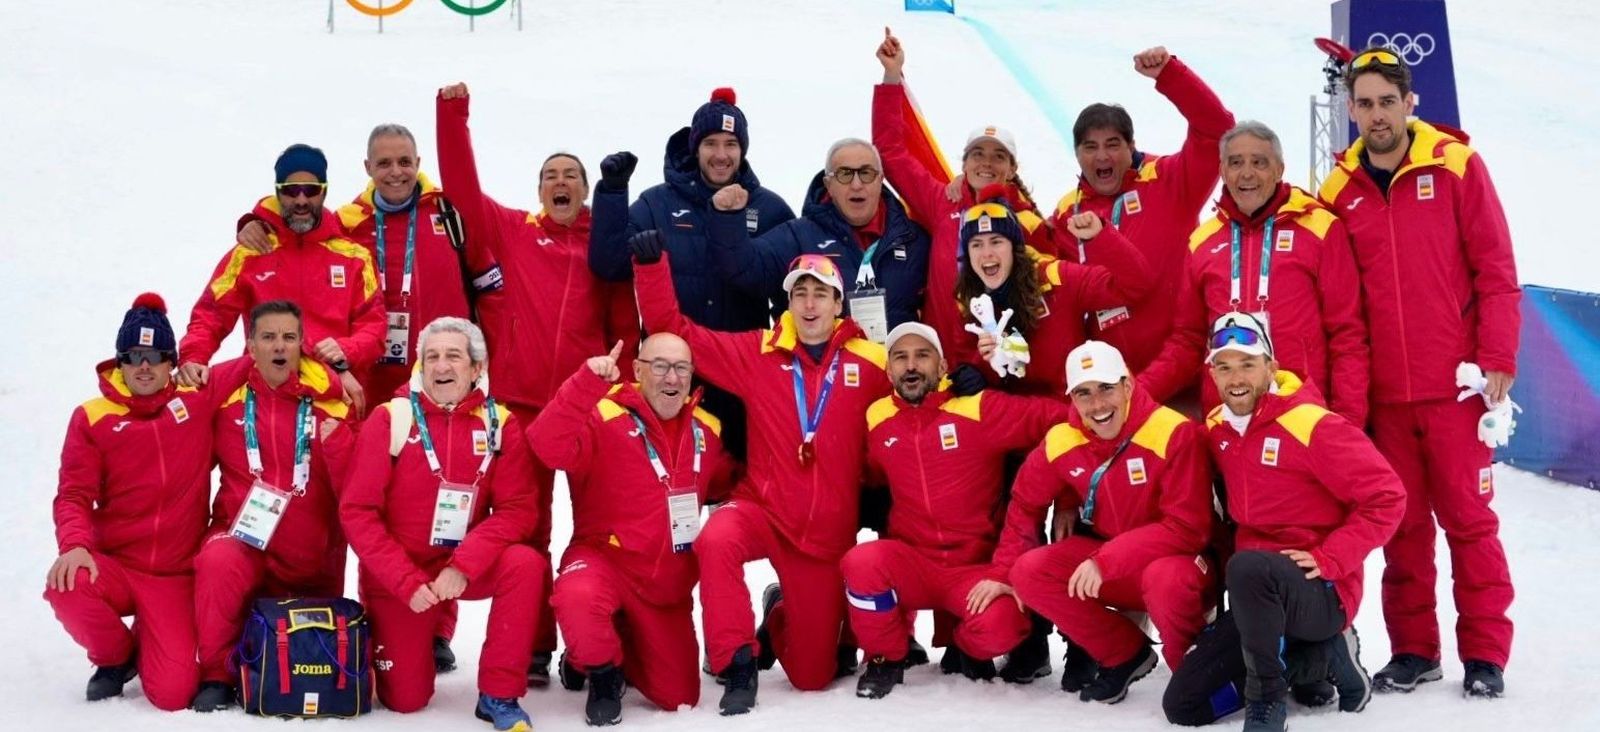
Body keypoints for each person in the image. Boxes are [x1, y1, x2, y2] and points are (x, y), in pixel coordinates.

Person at [1318, 47, 1520, 697]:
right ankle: (1413, 650)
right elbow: (1335, 299)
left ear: (1410, 102)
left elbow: (1497, 271)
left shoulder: (1457, 165)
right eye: (1365, 104)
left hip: (1456, 386)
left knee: (1470, 523)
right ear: (1349, 110)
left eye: (1387, 101)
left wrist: (1497, 358)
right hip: (1382, 398)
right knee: (1400, 530)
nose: (1376, 115)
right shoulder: (1337, 190)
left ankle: (1485, 655)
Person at [436, 80, 639, 684]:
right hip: (520, 408)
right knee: (530, 528)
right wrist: (453, 116)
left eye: (572, 175)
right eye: (551, 174)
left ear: (585, 188)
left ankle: (592, 642)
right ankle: (530, 645)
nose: (561, 182)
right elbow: (462, 190)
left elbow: (626, 324)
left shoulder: (606, 245)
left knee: (602, 527)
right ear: (539, 189)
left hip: (587, 410)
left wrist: (624, 395)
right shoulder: (513, 231)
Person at [632, 243, 889, 714]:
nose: (810, 305)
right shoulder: (758, 352)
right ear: (788, 303)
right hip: (763, 509)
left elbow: (919, 397)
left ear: (839, 304)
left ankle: (777, 616)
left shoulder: (872, 363)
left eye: (822, 294)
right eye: (800, 294)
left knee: (812, 678)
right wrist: (651, 269)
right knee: (716, 539)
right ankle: (737, 662)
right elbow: (677, 332)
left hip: (826, 536)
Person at [1198, 312, 1404, 731]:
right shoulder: (1217, 427)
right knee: (1185, 706)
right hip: (1255, 597)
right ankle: (1320, 660)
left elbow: (1388, 497)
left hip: (1319, 588)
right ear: (1212, 374)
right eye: (1224, 366)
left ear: (1271, 367)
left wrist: (1331, 557)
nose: (1235, 377)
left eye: (1247, 364)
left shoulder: (1312, 424)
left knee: (1249, 565)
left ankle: (1267, 698)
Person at [844, 323, 1073, 699]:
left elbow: (1063, 419)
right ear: (889, 372)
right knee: (861, 563)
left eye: (923, 355)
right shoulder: (876, 417)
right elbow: (865, 474)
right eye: (900, 357)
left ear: (943, 365)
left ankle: (965, 646)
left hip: (975, 569)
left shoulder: (979, 407)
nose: (911, 366)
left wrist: (1065, 497)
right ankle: (886, 656)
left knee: (1004, 624)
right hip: (914, 563)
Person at [45, 294, 251, 710]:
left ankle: (151, 639)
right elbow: (74, 494)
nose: (144, 366)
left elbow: (260, 356)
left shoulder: (196, 397)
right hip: (118, 564)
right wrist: (75, 545)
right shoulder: (93, 417)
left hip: (172, 577)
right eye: (134, 355)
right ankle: (115, 658)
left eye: (155, 355)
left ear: (170, 362)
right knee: (68, 584)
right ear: (119, 361)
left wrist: (325, 352)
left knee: (173, 695)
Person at [340, 317, 546, 730]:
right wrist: (405, 581)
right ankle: (424, 631)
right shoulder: (390, 419)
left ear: (477, 368)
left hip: (464, 566)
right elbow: (358, 511)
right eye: (431, 357)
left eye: (454, 356)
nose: (441, 366)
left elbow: (518, 509)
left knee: (525, 564)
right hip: (404, 573)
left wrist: (463, 565)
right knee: (405, 700)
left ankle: (499, 693)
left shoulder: (500, 424)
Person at [992, 340, 1213, 705]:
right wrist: (1002, 573)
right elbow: (1024, 503)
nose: (1096, 405)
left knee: (1165, 580)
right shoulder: (1063, 438)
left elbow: (1188, 529)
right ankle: (1125, 654)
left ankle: (1193, 672)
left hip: (1178, 564)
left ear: (1128, 386)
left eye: (1106, 389)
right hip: (1115, 564)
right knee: (1029, 571)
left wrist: (1105, 560)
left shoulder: (1174, 432)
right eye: (1083, 393)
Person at [529, 335, 733, 725]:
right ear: (637, 370)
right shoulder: (603, 414)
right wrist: (586, 383)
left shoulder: (707, 428)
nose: (670, 377)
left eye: (681, 368)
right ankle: (601, 671)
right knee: (578, 598)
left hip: (665, 588)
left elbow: (729, 482)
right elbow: (546, 445)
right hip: (604, 561)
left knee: (679, 696)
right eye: (659, 366)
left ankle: (616, 640)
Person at [589, 87, 797, 465]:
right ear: (695, 147)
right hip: (671, 373)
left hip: (741, 370)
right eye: (711, 143)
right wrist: (612, 194)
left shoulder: (769, 208)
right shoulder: (658, 203)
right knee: (669, 479)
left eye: (731, 144)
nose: (721, 155)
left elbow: (790, 297)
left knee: (738, 481)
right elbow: (609, 264)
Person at [236, 126, 492, 406]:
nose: (396, 172)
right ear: (368, 167)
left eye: (404, 162)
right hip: (370, 378)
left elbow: (492, 290)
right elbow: (303, 225)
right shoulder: (349, 222)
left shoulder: (449, 212)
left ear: (418, 164)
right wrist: (256, 220)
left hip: (442, 372)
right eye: (384, 163)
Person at [1141, 121, 1368, 424]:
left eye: (1259, 163)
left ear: (1279, 169)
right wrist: (1136, 393)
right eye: (1236, 163)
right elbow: (1187, 340)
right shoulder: (1202, 242)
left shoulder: (1320, 228)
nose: (1246, 173)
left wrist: (1347, 422)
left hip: (1302, 416)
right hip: (1228, 419)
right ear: (1223, 171)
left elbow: (1347, 336)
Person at [189, 300, 355, 711]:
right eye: (268, 337)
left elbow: (359, 487)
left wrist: (341, 441)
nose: (279, 347)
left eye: (288, 337)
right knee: (218, 559)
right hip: (244, 540)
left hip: (312, 553)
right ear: (250, 345)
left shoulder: (334, 402)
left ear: (303, 344)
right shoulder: (223, 395)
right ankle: (217, 672)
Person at [873, 28, 1059, 369]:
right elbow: (891, 153)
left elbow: (1044, 307)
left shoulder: (1027, 222)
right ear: (963, 162)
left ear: (1013, 167)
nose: (986, 163)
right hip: (938, 364)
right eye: (977, 154)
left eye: (997, 156)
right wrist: (890, 76)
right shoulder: (943, 201)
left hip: (994, 369)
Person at [1051, 46, 1235, 373]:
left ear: (1131, 146)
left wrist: (1172, 76)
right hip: (1109, 387)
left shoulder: (1169, 180)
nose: (1102, 156)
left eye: (1112, 144)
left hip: (1183, 375)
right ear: (1077, 154)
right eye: (1090, 147)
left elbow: (1218, 130)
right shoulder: (1069, 212)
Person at [180, 144, 383, 416]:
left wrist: (345, 350)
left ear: (324, 190)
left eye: (311, 190)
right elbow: (211, 314)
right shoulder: (251, 251)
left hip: (334, 399)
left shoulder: (354, 257)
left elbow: (375, 328)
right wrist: (194, 357)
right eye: (291, 190)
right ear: (277, 192)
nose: (301, 200)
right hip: (266, 395)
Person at [707, 138, 931, 340]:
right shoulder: (799, 237)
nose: (856, 184)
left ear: (880, 180)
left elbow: (945, 305)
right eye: (844, 174)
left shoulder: (915, 241)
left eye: (866, 173)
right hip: (827, 379)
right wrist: (728, 220)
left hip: (896, 377)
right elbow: (745, 269)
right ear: (828, 185)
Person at [958, 192, 1152, 397]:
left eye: (996, 241)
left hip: (1079, 411)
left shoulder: (1055, 279)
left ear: (1015, 248)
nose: (987, 253)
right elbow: (974, 363)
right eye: (976, 244)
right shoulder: (967, 300)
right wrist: (979, 370)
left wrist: (1100, 238)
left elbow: (1136, 285)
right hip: (1022, 416)